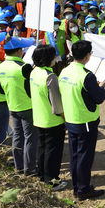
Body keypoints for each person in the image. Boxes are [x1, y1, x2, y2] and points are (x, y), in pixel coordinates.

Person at [58, 40, 105, 200]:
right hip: (85, 120)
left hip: (70, 119)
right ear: (87, 55)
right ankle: (83, 189)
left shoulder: (64, 71)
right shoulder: (86, 75)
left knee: (75, 155)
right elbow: (99, 98)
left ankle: (77, 186)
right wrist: (101, 87)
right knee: (84, 156)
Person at [0, 36, 37, 175]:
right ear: (19, 51)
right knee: (30, 138)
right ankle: (30, 168)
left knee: (18, 136)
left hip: (12, 105)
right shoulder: (24, 67)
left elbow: (0, 88)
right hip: (27, 106)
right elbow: (33, 87)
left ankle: (19, 166)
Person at [30, 44, 68, 191]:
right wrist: (65, 118)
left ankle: (42, 176)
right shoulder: (50, 77)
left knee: (42, 148)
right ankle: (52, 181)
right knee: (53, 152)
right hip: (52, 120)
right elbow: (57, 104)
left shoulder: (34, 72)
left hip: (39, 117)